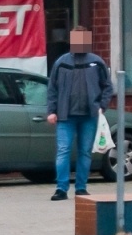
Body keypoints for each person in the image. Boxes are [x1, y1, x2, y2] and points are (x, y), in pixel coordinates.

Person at [45, 26, 114, 201]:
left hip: (89, 116)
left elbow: (108, 87)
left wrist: (102, 106)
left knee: (84, 152)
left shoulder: (97, 62)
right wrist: (51, 111)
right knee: (63, 150)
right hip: (65, 116)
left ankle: (81, 188)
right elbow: (52, 88)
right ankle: (61, 189)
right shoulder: (61, 62)